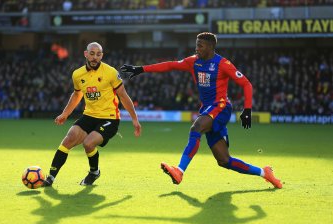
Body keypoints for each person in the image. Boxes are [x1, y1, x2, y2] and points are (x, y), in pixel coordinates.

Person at [121, 32, 282, 188]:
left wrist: (247, 110)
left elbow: (246, 84)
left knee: (196, 127)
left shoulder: (222, 64)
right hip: (208, 109)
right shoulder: (194, 62)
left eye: (200, 45)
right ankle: (264, 172)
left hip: (221, 107)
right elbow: (170, 65)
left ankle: (179, 171)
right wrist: (141, 69)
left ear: (210, 47)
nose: (196, 48)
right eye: (196, 45)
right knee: (224, 161)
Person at [43, 42, 141, 187]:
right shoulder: (77, 74)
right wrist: (65, 114)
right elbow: (77, 95)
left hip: (110, 118)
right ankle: (50, 178)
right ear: (86, 54)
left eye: (98, 54)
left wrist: (134, 119)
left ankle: (94, 172)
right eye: (92, 53)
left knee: (88, 143)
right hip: (89, 116)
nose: (95, 57)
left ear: (102, 55)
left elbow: (123, 96)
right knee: (67, 140)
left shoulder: (111, 72)